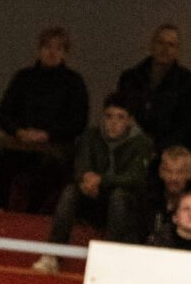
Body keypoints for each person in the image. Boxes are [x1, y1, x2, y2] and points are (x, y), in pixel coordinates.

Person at [39, 98, 155, 271]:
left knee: (118, 196)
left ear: (130, 121)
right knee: (70, 191)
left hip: (127, 203)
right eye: (109, 116)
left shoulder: (142, 142)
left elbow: (135, 178)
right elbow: (81, 166)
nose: (113, 123)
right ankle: (53, 254)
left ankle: (108, 259)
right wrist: (85, 179)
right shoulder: (90, 136)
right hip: (94, 195)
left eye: (120, 117)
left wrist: (101, 180)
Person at [0, 25, 90, 214]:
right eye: (47, 47)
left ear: (65, 53)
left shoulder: (74, 82)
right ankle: (1, 207)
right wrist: (18, 131)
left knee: (48, 163)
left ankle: (32, 211)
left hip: (56, 143)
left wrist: (47, 135)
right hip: (21, 141)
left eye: (58, 48)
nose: (52, 52)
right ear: (39, 49)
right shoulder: (23, 78)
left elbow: (78, 121)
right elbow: (3, 113)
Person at [115, 23, 191, 151]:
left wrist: (158, 147)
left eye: (171, 45)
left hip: (172, 154)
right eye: (160, 43)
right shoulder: (130, 79)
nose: (165, 49)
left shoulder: (190, 84)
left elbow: (188, 127)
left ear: (177, 51)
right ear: (152, 45)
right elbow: (121, 114)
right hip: (132, 149)